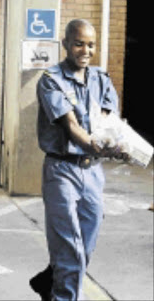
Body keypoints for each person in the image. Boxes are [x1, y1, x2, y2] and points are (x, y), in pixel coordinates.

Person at [32, 19, 127, 300]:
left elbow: (108, 124)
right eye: (79, 43)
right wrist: (102, 148)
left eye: (91, 44)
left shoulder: (101, 79)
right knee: (70, 249)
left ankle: (50, 282)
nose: (85, 50)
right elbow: (72, 129)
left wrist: (118, 144)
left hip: (92, 172)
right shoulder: (51, 81)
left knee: (85, 244)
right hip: (62, 171)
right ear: (65, 44)